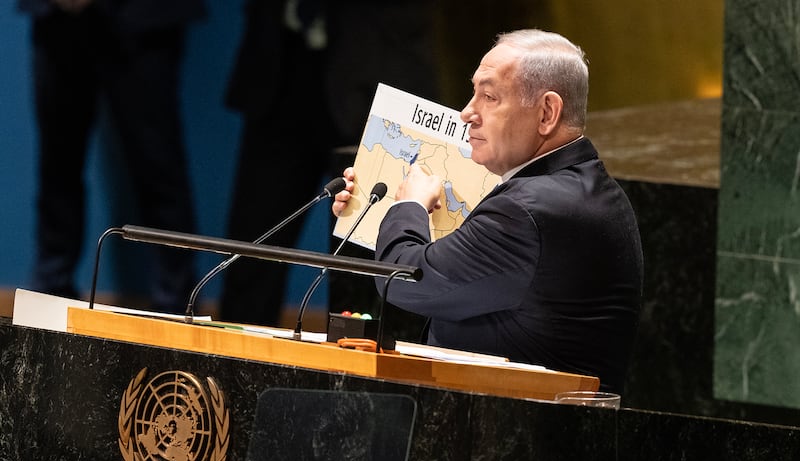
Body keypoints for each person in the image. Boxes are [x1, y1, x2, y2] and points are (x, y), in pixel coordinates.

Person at [332, 29, 644, 393]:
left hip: (516, 431)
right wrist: (369, 208)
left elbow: (402, 281)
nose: (467, 113)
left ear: (547, 112)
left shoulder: (526, 211)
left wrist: (408, 206)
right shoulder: (589, 189)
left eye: (489, 97)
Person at [219, 0, 439, 328]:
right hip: (279, 74)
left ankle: (369, 370)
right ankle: (233, 365)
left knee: (369, 250)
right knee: (255, 243)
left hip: (374, 72)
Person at [17, 0, 205, 312]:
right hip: (55, 16)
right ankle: (49, 296)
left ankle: (176, 304)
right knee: (57, 167)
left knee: (158, 166)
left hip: (141, 20)